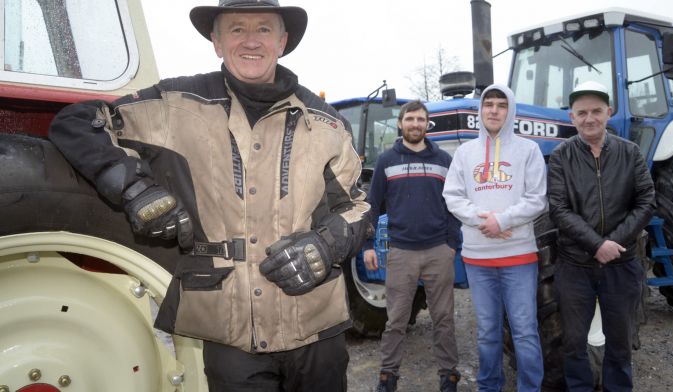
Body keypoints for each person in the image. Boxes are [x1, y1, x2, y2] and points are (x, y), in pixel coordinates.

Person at [48, 1, 371, 391]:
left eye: (264, 29)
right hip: (229, 335)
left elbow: (358, 206)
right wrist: (135, 189)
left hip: (316, 329)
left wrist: (324, 244)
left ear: (282, 42)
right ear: (216, 41)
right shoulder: (173, 106)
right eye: (236, 29)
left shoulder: (326, 123)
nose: (250, 40)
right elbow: (80, 122)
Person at [547, 81, 655, 392]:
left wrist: (613, 245)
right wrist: (596, 245)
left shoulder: (630, 152)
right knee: (574, 344)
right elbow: (558, 208)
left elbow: (646, 201)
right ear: (572, 117)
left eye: (596, 111)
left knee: (619, 344)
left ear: (609, 113)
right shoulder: (560, 157)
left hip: (621, 265)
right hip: (574, 266)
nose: (589, 118)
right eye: (582, 113)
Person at [443, 84, 547, 392]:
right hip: (478, 258)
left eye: (501, 105)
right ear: (481, 110)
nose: (494, 110)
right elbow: (452, 196)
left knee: (525, 331)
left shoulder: (528, 150)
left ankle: (530, 388)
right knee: (487, 331)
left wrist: (502, 219)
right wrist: (482, 221)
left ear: (510, 110)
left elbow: (537, 198)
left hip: (519, 257)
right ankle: (489, 387)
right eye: (488, 104)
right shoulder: (465, 153)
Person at [363, 100, 461, 392]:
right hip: (401, 252)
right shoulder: (386, 161)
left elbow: (454, 204)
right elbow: (372, 205)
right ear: (400, 123)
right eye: (410, 119)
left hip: (437, 252)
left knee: (443, 317)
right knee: (396, 319)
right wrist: (368, 243)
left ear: (426, 124)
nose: (415, 124)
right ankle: (388, 377)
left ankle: (449, 375)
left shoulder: (443, 160)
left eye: (420, 119)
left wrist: (451, 244)